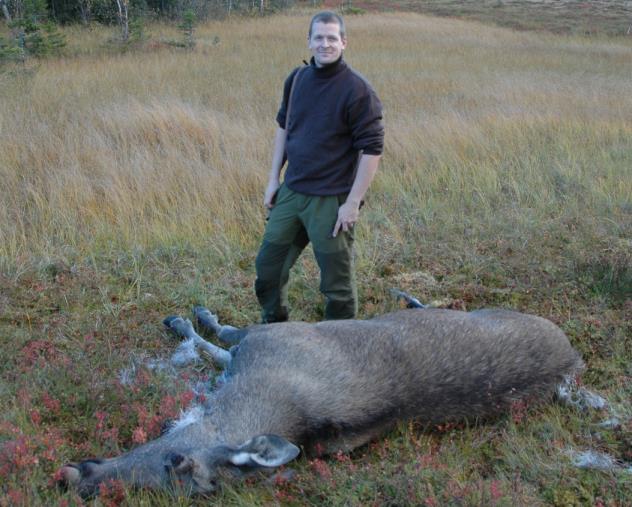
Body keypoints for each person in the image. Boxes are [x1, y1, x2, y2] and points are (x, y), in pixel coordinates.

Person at [255, 10, 384, 323]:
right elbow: (284, 128)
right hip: (292, 192)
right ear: (309, 42)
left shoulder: (358, 90)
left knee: (336, 286)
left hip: (331, 201)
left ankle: (343, 346)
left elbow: (372, 149)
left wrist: (352, 203)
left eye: (332, 38)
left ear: (343, 42)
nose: (325, 44)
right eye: (319, 38)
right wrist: (273, 179)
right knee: (268, 270)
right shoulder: (297, 80)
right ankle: (275, 329)